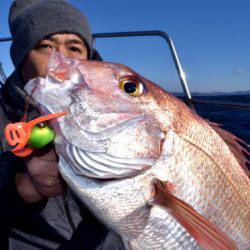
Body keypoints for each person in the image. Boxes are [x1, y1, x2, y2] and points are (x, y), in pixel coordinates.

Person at [0, 0, 124, 249]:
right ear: (22, 58)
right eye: (45, 46)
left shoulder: (121, 111)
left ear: (89, 57)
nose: (62, 62)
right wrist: (23, 191)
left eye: (75, 48)